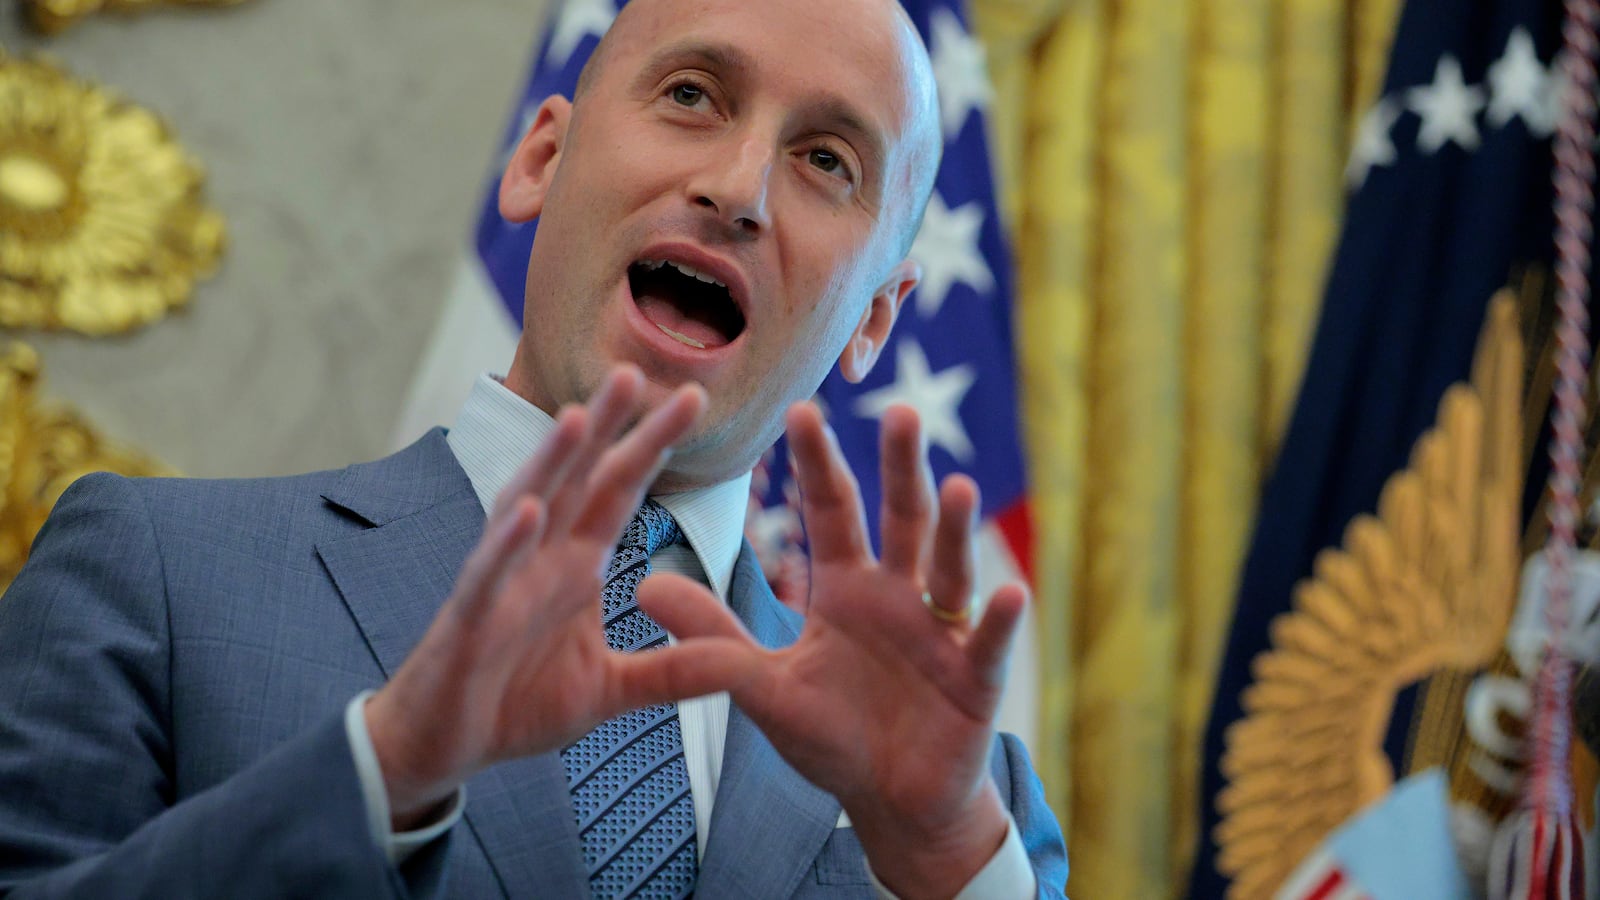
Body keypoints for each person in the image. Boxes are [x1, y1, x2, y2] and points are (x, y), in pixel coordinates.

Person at [0, 0, 1070, 896]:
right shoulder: (157, 578)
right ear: (542, 158)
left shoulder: (969, 805)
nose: (739, 190)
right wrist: (388, 770)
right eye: (693, 95)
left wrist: (944, 860)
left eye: (826, 160)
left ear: (875, 322)